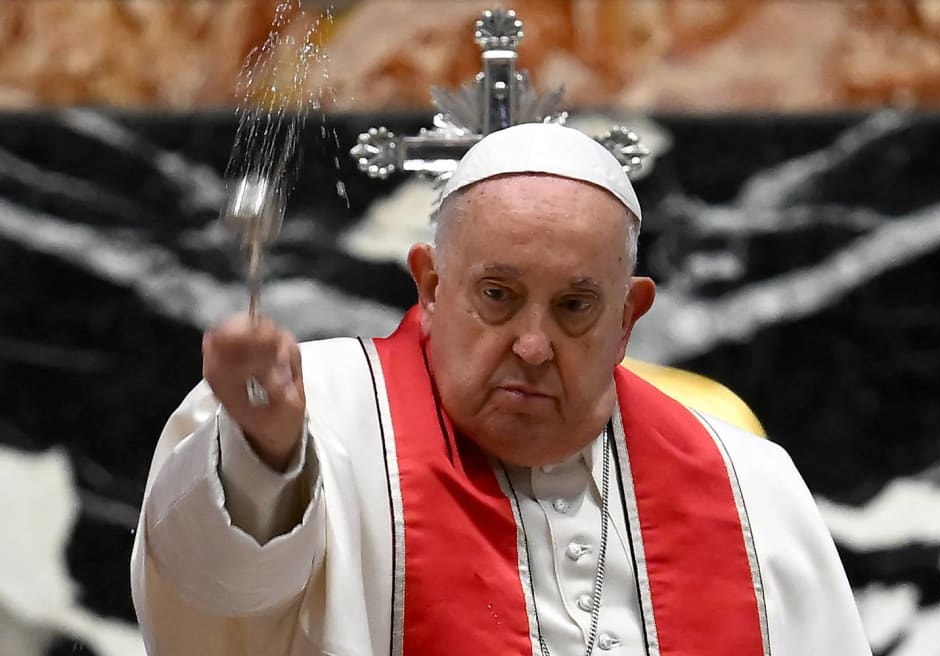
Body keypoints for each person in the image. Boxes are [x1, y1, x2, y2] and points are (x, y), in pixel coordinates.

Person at [130, 122, 872, 655]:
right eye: (497, 295)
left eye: (575, 308)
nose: (532, 344)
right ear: (429, 283)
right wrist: (266, 461)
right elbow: (210, 599)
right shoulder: (313, 414)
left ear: (628, 317)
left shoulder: (751, 487)